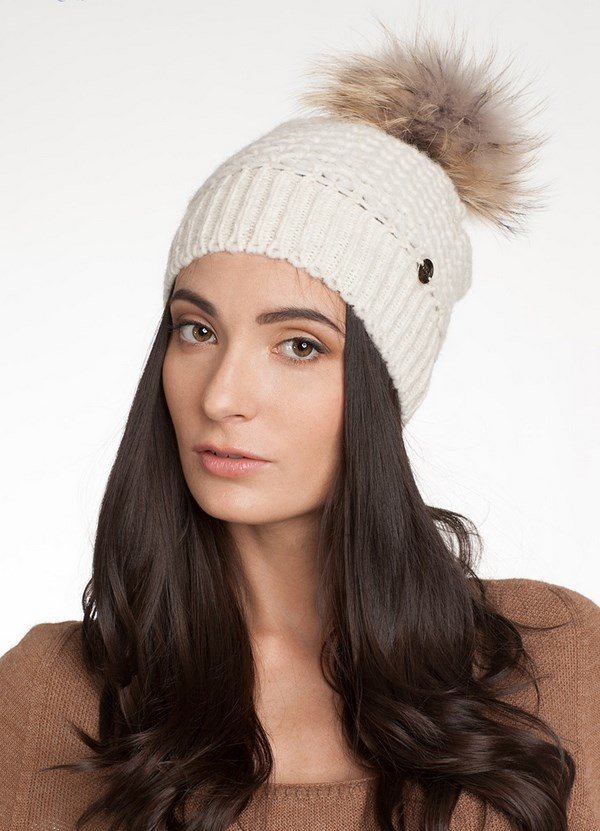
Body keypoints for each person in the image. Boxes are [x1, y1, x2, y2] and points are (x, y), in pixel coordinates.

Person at [1, 20, 598, 831]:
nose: (223, 396)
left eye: (300, 345)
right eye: (197, 330)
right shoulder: (46, 693)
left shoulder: (561, 663)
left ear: (382, 389)